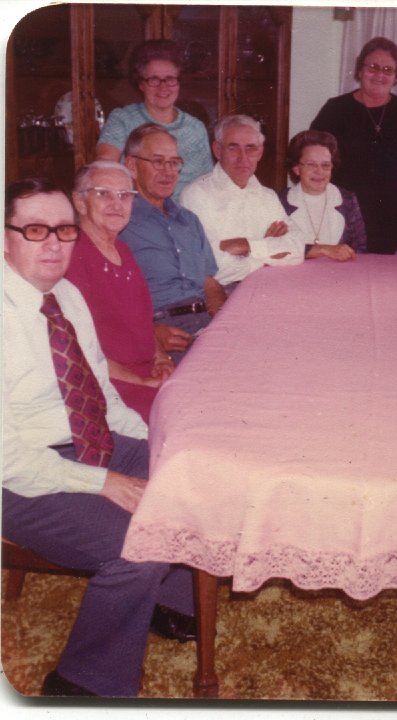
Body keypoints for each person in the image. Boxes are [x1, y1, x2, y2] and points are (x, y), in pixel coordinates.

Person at [3, 178, 195, 697]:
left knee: (194, 477)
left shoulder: (66, 294)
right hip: (17, 477)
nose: (53, 244)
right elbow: (8, 461)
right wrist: (106, 480)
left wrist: (151, 445)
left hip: (84, 439)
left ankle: (171, 601)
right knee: (138, 547)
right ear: (4, 237)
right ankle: (81, 683)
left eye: (63, 230)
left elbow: (99, 392)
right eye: (34, 229)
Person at [65, 160, 173, 423]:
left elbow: (143, 322)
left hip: (147, 376)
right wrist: (142, 381)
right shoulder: (72, 256)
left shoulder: (123, 250)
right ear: (80, 202)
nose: (117, 204)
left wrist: (161, 358)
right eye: (103, 194)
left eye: (125, 195)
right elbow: (79, 350)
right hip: (110, 384)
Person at [310, 36, 397, 255]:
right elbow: (311, 158)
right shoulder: (335, 109)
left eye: (388, 69)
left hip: (394, 212)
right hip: (343, 210)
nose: (380, 75)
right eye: (373, 67)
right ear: (359, 71)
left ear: (395, 77)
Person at [120, 123, 226, 363]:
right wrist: (150, 335)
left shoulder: (189, 221)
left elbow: (208, 282)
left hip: (205, 326)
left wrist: (222, 319)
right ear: (132, 166)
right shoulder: (120, 223)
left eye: (174, 163)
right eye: (158, 162)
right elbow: (107, 300)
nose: (168, 172)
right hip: (161, 331)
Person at [179, 114, 304, 288]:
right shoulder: (196, 195)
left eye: (251, 148)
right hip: (223, 293)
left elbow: (297, 249)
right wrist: (268, 252)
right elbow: (212, 267)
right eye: (233, 148)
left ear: (260, 152)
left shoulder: (268, 197)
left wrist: (246, 246)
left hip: (271, 286)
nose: (243, 157)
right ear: (217, 150)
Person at [96, 39, 213, 201]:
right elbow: (104, 167)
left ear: (179, 83)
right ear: (141, 84)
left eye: (170, 79)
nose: (163, 87)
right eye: (153, 79)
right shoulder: (122, 119)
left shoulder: (196, 129)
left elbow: (208, 184)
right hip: (137, 213)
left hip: (186, 217)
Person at [278, 129, 366, 262]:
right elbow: (275, 248)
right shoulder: (280, 201)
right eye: (311, 164)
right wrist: (322, 249)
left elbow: (360, 249)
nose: (319, 171)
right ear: (296, 168)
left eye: (325, 165)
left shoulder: (347, 199)